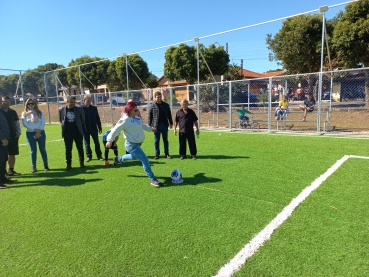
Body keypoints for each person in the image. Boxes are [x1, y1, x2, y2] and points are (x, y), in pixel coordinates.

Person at [106, 101, 162, 188]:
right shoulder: (125, 120)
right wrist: (109, 140)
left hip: (138, 144)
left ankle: (118, 159)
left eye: (137, 110)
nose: (137, 111)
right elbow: (115, 130)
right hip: (131, 145)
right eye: (135, 110)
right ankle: (153, 179)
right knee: (145, 160)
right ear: (130, 110)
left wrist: (151, 129)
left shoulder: (137, 118)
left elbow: (143, 125)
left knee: (134, 157)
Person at [21, 98, 49, 173]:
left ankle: (46, 165)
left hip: (41, 132)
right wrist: (35, 130)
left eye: (32, 103)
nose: (30, 105)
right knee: (33, 150)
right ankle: (34, 167)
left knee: (42, 149)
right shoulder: (24, 113)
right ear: (26, 105)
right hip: (30, 133)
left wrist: (39, 131)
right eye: (28, 104)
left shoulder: (40, 112)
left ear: (35, 104)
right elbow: (25, 124)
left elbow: (43, 122)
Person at [59, 96, 85, 170]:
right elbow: (61, 120)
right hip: (67, 133)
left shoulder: (79, 109)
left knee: (80, 148)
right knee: (68, 149)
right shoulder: (61, 109)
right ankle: (69, 164)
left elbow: (83, 119)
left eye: (74, 102)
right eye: (71, 102)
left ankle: (81, 163)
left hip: (78, 132)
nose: (73, 103)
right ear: (67, 101)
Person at [148, 91, 173, 159]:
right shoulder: (152, 106)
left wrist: (171, 123)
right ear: (155, 98)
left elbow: (169, 115)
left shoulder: (166, 105)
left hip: (164, 125)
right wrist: (149, 126)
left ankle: (167, 154)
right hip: (156, 126)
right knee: (156, 140)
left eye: (160, 97)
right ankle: (157, 154)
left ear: (161, 97)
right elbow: (150, 117)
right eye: (157, 97)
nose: (158, 98)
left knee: (165, 140)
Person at [1, 96, 22, 177]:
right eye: (3, 101)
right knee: (3, 155)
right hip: (3, 137)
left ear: (10, 102)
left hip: (13, 136)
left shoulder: (13, 112)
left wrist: (18, 132)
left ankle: (11, 170)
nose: (5, 103)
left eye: (7, 101)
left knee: (12, 153)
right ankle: (3, 172)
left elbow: (16, 123)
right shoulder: (0, 112)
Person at [82, 95, 103, 162]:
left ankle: (99, 156)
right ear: (84, 101)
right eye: (87, 100)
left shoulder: (94, 108)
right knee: (87, 143)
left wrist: (99, 127)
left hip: (93, 128)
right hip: (85, 129)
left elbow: (97, 118)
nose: (89, 102)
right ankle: (89, 156)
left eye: (90, 100)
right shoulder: (81, 109)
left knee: (96, 142)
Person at [0, 97, 12, 189]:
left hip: (4, 139)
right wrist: (3, 138)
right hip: (1, 140)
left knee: (3, 160)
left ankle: (3, 179)